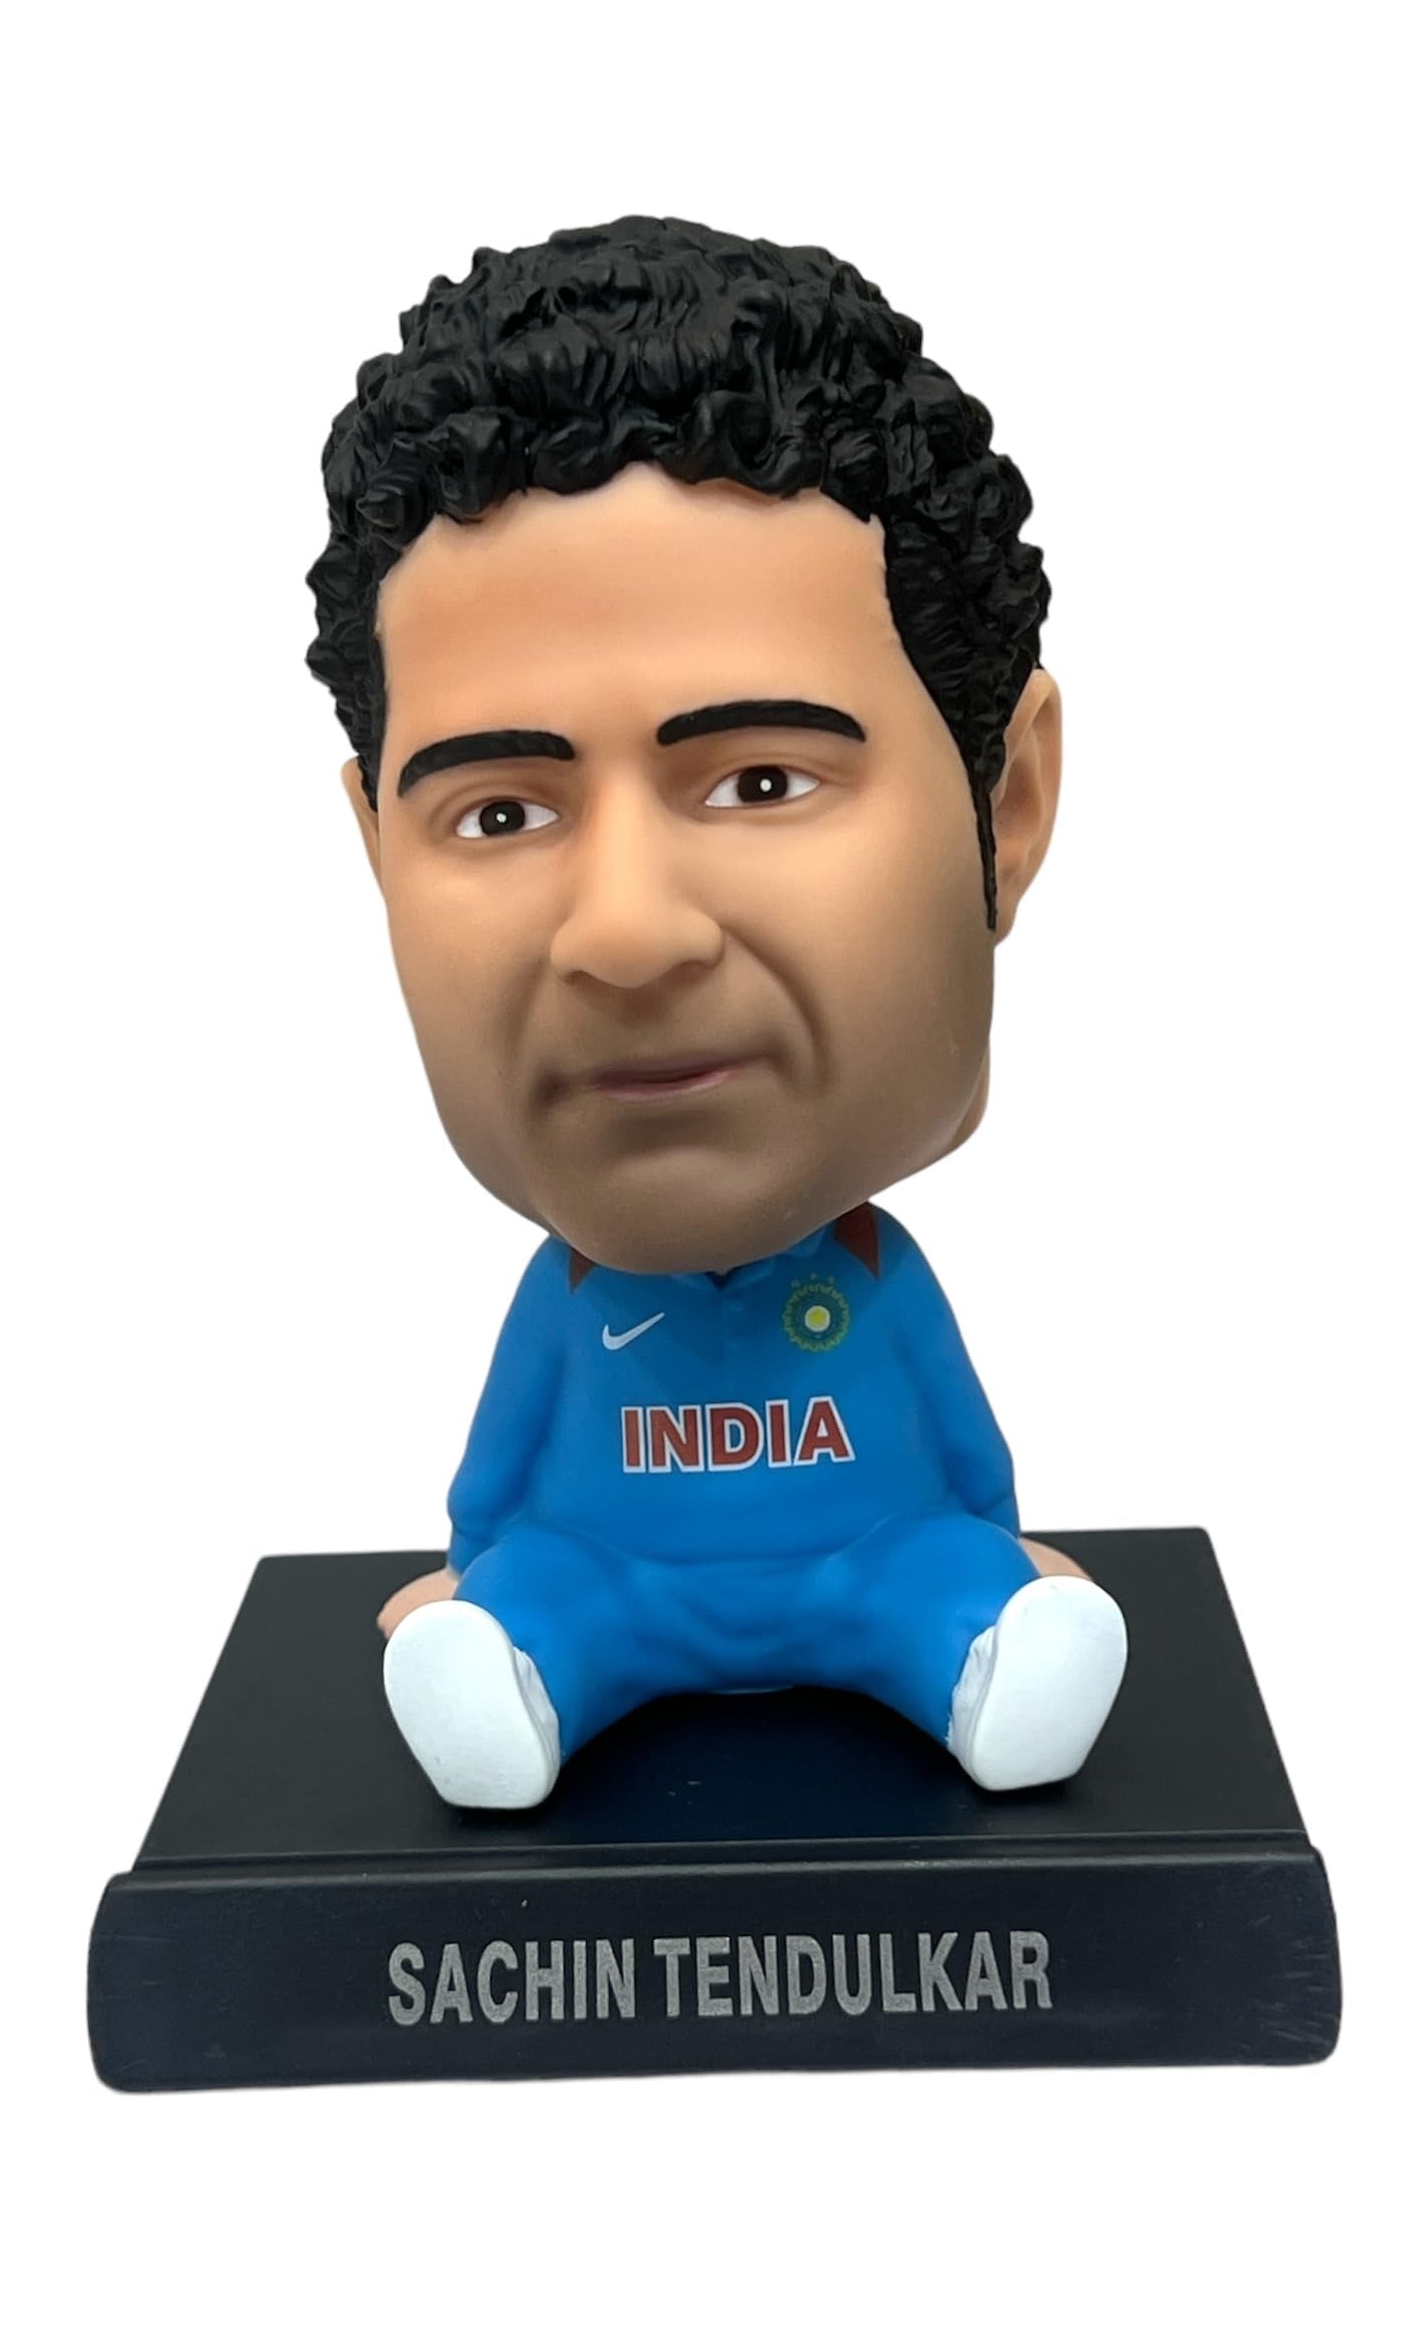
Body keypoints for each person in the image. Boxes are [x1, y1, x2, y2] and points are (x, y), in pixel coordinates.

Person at [306, 215, 1126, 1808]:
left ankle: (987, 1645)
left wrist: (991, 1543)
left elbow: (964, 1458)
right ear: (378, 853)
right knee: (538, 1605)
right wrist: (473, 1573)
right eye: (500, 812)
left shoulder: (879, 1291)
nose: (625, 931)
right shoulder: (569, 1311)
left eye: (760, 782)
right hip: (602, 1580)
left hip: (875, 1562)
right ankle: (511, 1665)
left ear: (1005, 808)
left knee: (947, 1582)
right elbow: (497, 1477)